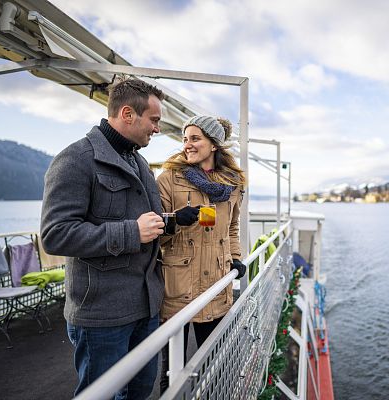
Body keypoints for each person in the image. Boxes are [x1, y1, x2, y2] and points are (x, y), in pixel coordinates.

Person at [41, 78, 167, 399]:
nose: (157, 129)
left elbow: (144, 220)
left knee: (140, 390)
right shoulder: (75, 160)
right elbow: (56, 236)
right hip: (102, 315)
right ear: (127, 114)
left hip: (145, 307)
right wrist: (132, 232)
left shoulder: (138, 162)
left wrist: (171, 222)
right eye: (153, 120)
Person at [157, 115, 247, 392]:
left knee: (215, 363)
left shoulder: (233, 185)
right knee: (173, 371)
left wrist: (235, 257)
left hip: (216, 285)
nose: (187, 145)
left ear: (214, 145)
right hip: (178, 286)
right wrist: (174, 220)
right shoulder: (169, 179)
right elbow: (153, 227)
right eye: (185, 139)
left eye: (195, 138)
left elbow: (232, 227)